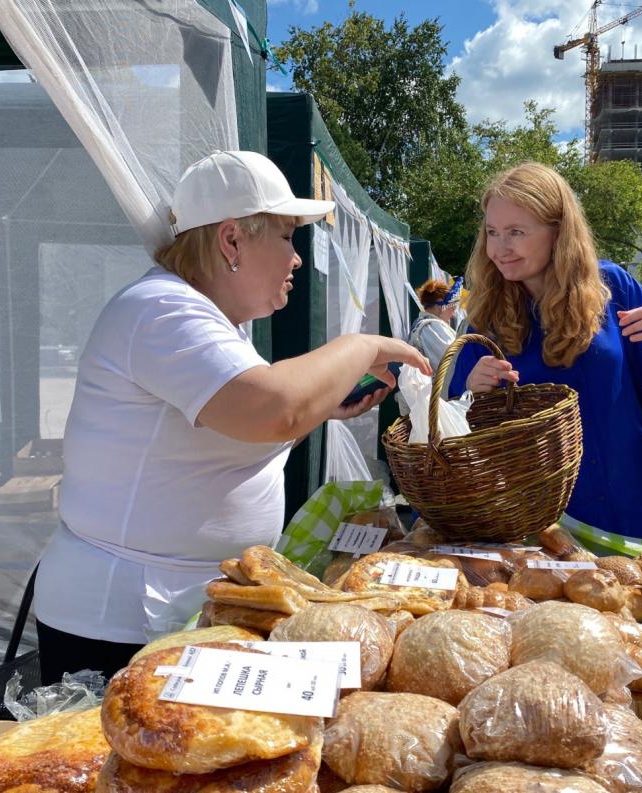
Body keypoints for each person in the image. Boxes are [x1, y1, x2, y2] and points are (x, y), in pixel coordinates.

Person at [33, 151, 430, 683]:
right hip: (121, 625)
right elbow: (273, 409)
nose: (297, 259)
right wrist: (360, 347)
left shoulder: (213, 320)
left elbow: (236, 427)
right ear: (231, 241)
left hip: (176, 611)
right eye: (287, 236)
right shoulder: (161, 309)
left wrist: (323, 407)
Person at [447, 162, 642, 543]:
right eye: (492, 232)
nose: (499, 248)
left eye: (516, 232)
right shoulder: (485, 316)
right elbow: (454, 422)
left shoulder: (612, 288)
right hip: (541, 530)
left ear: (558, 231)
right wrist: (473, 392)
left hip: (638, 517)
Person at [408, 277, 460, 369]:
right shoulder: (432, 327)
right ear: (441, 305)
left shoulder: (424, 324)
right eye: (453, 307)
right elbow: (454, 363)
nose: (453, 313)